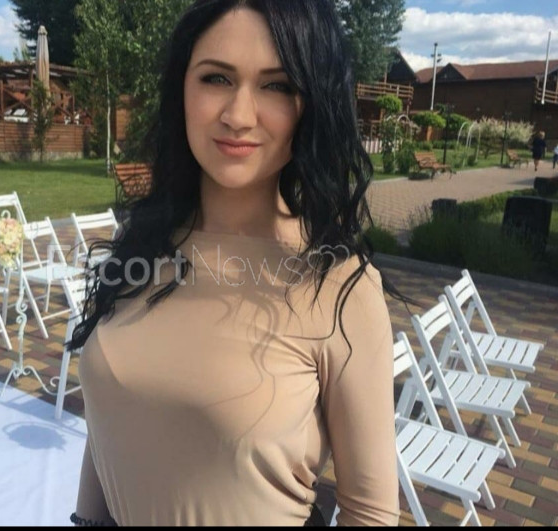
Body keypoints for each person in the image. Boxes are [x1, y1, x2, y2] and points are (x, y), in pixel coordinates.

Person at [70, 0, 408, 526]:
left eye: (276, 85)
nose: (239, 115)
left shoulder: (338, 285)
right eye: (216, 78)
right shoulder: (141, 243)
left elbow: (371, 513)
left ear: (311, 104)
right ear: (182, 88)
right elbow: (110, 420)